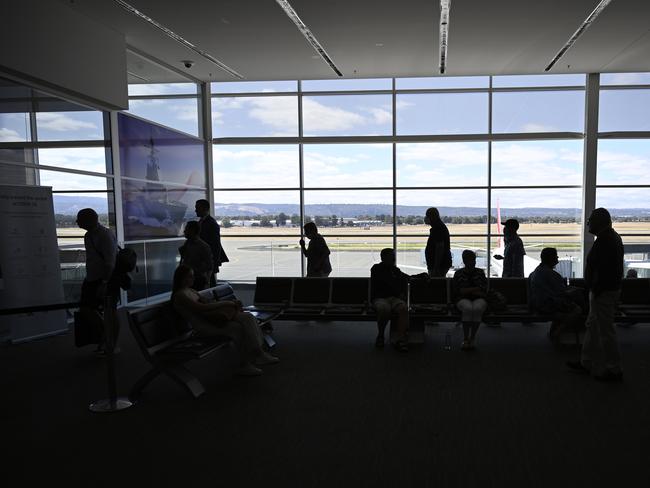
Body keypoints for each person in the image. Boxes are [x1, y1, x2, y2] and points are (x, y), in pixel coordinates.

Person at [171, 264, 278, 376]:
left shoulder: (191, 291)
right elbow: (201, 308)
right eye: (189, 276)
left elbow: (207, 303)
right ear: (181, 278)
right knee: (236, 328)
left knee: (248, 317)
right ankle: (244, 363)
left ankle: (259, 353)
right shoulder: (180, 295)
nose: (192, 279)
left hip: (211, 319)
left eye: (192, 276)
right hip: (204, 326)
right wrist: (228, 303)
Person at [567, 208, 624, 381]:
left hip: (603, 292)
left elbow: (604, 270)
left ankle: (614, 369)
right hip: (602, 291)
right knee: (592, 327)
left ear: (600, 221)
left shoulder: (606, 241)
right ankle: (586, 361)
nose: (588, 223)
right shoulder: (610, 238)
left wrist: (595, 289)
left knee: (606, 331)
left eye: (590, 220)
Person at [76, 208, 118, 354]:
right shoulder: (89, 235)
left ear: (89, 220)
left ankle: (110, 343)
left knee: (110, 312)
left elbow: (110, 262)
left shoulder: (104, 235)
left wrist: (104, 283)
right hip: (93, 278)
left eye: (79, 219)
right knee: (88, 309)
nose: (77, 222)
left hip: (106, 279)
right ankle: (105, 338)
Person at [529, 248, 584, 345]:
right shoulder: (551, 274)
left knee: (564, 305)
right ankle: (558, 332)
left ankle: (555, 330)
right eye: (556, 255)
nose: (558, 257)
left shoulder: (536, 272)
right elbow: (563, 292)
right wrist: (576, 290)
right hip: (547, 305)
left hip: (538, 303)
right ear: (551, 258)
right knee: (577, 310)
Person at [370, 248, 410, 352]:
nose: (394, 258)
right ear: (384, 258)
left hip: (393, 298)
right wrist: (399, 292)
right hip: (380, 298)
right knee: (384, 309)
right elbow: (386, 283)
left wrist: (421, 276)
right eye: (392, 256)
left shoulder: (395, 270)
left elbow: (406, 277)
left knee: (403, 308)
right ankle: (381, 335)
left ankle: (400, 339)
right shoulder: (376, 269)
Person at [453, 250, 488, 350]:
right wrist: (476, 289)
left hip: (466, 298)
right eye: (471, 260)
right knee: (470, 308)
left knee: (474, 309)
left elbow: (462, 290)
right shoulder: (478, 273)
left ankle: (469, 338)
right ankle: (468, 338)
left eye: (473, 260)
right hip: (470, 298)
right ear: (464, 261)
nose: (473, 262)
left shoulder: (460, 274)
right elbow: (459, 291)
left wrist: (467, 290)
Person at [195, 199, 229, 287]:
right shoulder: (204, 222)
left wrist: (214, 261)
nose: (195, 210)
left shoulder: (211, 224)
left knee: (208, 284)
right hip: (204, 260)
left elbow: (216, 244)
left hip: (206, 260)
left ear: (204, 208)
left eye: (197, 208)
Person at [179, 221, 213, 291]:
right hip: (187, 280)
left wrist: (206, 280)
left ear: (192, 231)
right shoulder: (187, 243)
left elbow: (210, 266)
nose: (184, 231)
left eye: (186, 229)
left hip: (197, 281)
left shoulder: (203, 246)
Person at [425, 207, 452, 277]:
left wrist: (436, 267)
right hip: (441, 264)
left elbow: (440, 248)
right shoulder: (439, 227)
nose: (425, 218)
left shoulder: (438, 229)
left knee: (436, 284)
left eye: (427, 216)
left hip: (439, 266)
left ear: (431, 217)